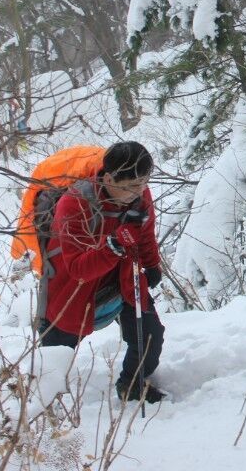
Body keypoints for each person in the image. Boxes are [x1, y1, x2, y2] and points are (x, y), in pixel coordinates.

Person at [37, 141, 167, 403]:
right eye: (130, 186)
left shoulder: (140, 194)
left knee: (150, 335)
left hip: (123, 278)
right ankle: (43, 407)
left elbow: (145, 234)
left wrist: (152, 265)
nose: (138, 192)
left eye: (143, 183)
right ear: (108, 177)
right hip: (72, 290)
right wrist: (116, 244)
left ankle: (132, 384)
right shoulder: (74, 204)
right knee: (54, 356)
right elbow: (78, 269)